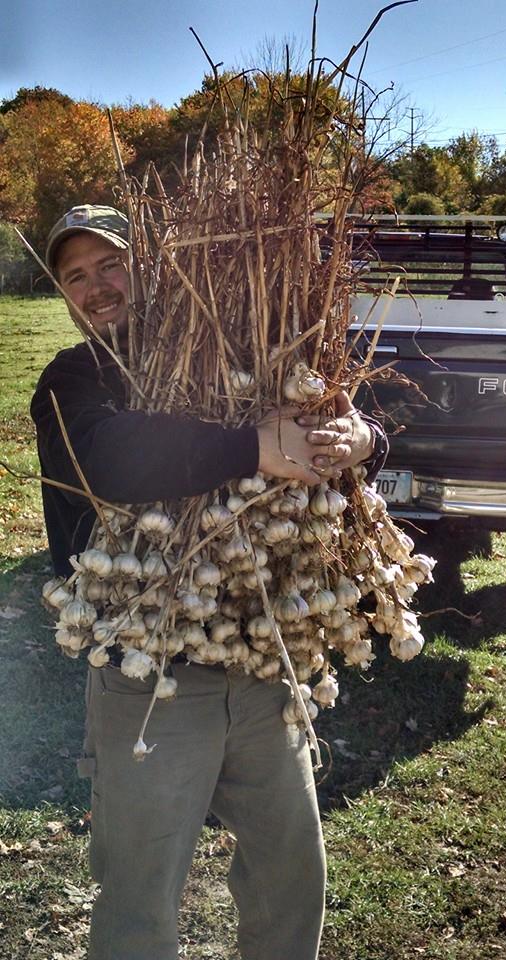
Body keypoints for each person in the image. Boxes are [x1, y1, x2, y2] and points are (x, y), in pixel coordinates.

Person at [31, 204, 389, 960]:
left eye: (111, 265)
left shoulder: (231, 348)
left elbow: (328, 424)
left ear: (153, 267)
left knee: (291, 877)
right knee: (139, 900)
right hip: (152, 677)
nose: (96, 288)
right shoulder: (76, 381)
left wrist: (366, 439)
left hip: (264, 667)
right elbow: (108, 458)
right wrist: (249, 447)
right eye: (76, 277)